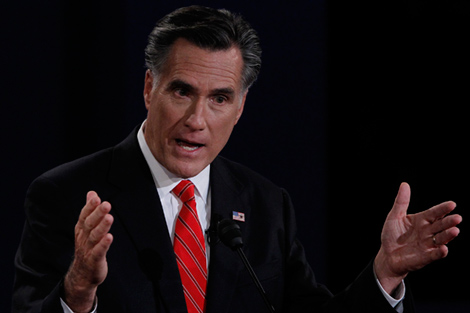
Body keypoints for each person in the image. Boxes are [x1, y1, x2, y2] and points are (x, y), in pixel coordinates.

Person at [12, 5, 462, 313]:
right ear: (150, 88)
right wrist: (77, 291)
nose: (197, 119)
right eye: (182, 91)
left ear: (242, 107)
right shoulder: (65, 194)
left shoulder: (266, 204)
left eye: (220, 98)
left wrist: (382, 274)